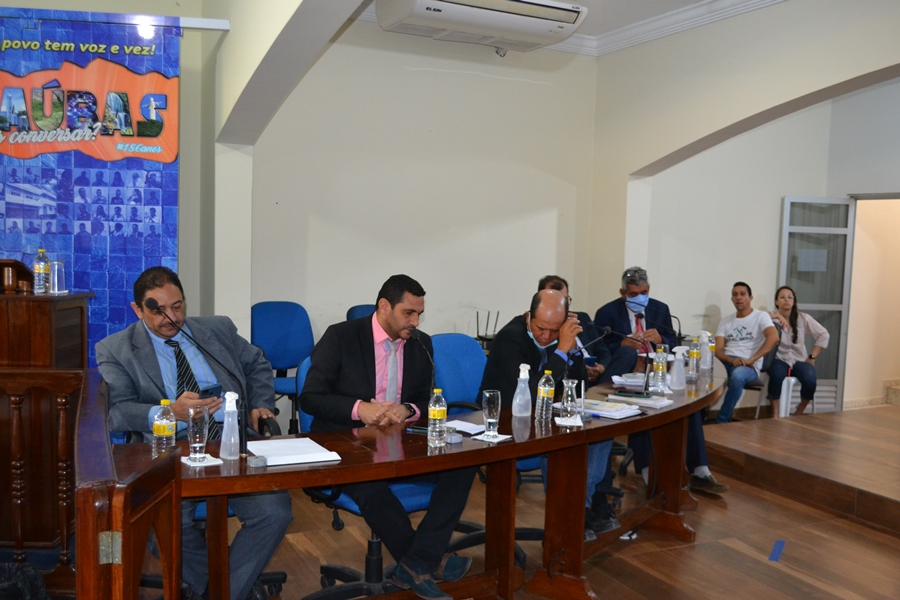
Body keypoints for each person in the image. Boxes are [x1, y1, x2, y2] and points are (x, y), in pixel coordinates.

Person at [96, 267, 292, 600]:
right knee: (161, 528)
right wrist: (169, 412)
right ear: (138, 310)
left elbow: (256, 362)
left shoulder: (217, 329)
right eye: (158, 310)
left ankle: (220, 591)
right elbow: (117, 412)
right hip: (168, 450)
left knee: (275, 512)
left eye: (177, 306)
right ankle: (225, 589)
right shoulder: (116, 349)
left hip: (230, 441)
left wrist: (261, 404)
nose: (171, 318)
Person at [300, 275, 474, 600]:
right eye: (409, 313)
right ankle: (424, 562)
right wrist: (359, 409)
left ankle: (417, 562)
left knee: (462, 466)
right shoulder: (341, 336)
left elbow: (427, 400)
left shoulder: (421, 343)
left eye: (419, 314)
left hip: (399, 443)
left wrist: (407, 409)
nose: (415, 321)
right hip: (346, 445)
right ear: (384, 306)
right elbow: (310, 397)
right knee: (372, 486)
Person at [479, 288, 620, 536]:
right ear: (528, 316)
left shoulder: (561, 337)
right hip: (507, 421)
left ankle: (577, 508)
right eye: (540, 328)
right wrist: (561, 351)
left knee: (602, 432)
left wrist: (571, 348)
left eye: (555, 330)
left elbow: (577, 386)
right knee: (560, 440)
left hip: (545, 417)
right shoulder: (509, 339)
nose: (546, 336)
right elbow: (531, 394)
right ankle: (572, 519)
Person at [594, 267, 728, 494]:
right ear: (623, 293)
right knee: (644, 406)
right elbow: (600, 350)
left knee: (689, 405)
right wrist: (622, 345)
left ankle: (700, 469)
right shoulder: (607, 313)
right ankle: (649, 470)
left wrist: (661, 340)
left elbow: (673, 342)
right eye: (633, 294)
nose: (639, 298)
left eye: (643, 293)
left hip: (659, 372)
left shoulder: (660, 308)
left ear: (649, 289)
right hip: (626, 378)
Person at [714, 282, 780, 423]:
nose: (738, 297)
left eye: (742, 294)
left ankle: (721, 420)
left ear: (750, 298)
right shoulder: (726, 321)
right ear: (732, 299)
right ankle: (698, 419)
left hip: (748, 364)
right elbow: (718, 351)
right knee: (703, 372)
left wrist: (752, 359)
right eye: (735, 295)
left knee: (737, 377)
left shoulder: (761, 316)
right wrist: (730, 360)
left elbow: (774, 337)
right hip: (727, 361)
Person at [767, 286, 829, 416]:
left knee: (810, 379)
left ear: (794, 301)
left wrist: (812, 356)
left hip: (799, 360)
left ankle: (800, 411)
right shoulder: (770, 319)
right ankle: (775, 413)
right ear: (776, 301)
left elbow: (824, 334)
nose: (786, 300)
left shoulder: (803, 318)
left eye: (790, 297)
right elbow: (755, 317)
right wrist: (777, 316)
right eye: (782, 297)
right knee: (776, 375)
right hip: (779, 359)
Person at [538, 276, 610, 384]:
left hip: (598, 374)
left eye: (565, 300)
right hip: (570, 379)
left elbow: (603, 351)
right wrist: (582, 369)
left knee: (626, 353)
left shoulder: (583, 318)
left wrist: (601, 367)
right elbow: (553, 363)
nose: (562, 305)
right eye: (556, 301)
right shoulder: (546, 329)